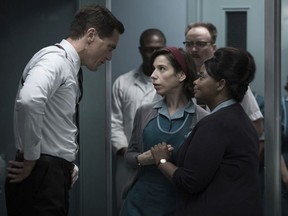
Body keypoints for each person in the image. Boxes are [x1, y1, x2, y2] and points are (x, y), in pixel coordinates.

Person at [5, 4, 124, 216]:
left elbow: (56, 121)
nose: (109, 57)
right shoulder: (55, 59)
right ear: (91, 35)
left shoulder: (68, 64)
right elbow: (30, 100)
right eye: (110, 47)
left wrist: (66, 163)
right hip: (42, 172)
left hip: (51, 171)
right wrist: (33, 158)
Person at [151, 47, 263, 216]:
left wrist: (162, 162)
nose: (195, 82)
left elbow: (189, 181)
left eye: (202, 77)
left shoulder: (217, 123)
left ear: (220, 84)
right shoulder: (238, 118)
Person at [120, 47, 209, 216]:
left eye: (162, 69)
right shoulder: (144, 112)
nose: (153, 75)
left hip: (178, 205)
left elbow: (199, 174)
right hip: (137, 203)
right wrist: (142, 158)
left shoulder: (202, 119)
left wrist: (162, 161)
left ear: (181, 75)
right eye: (154, 68)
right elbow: (129, 157)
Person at [111, 28, 166, 215]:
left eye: (159, 49)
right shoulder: (123, 82)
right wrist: (127, 151)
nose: (154, 54)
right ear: (141, 50)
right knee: (126, 205)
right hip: (128, 160)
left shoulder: (172, 84)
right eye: (149, 49)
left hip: (161, 159)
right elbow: (114, 122)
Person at [183, 22, 264, 136]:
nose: (194, 49)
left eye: (200, 44)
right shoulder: (178, 79)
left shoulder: (230, 81)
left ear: (213, 48)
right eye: (189, 44)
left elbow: (256, 126)